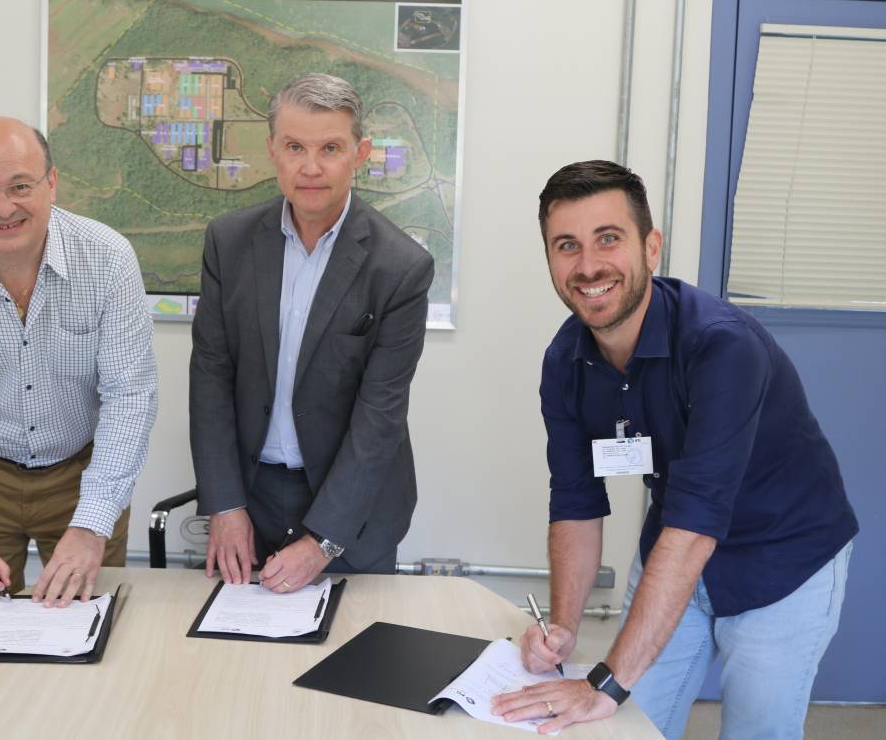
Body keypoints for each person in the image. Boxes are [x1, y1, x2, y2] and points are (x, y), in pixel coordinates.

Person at [491, 160, 858, 738]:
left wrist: (606, 683)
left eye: (608, 239)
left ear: (651, 246)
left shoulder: (722, 347)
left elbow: (695, 528)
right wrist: (562, 627)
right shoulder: (565, 362)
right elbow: (576, 504)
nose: (588, 266)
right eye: (567, 246)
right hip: (675, 550)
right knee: (621, 728)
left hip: (784, 563)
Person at [0, 117, 158, 631]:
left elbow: (131, 395)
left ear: (52, 183)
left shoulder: (107, 260)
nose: (3, 207)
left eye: (20, 186)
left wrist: (93, 522)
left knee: (90, 633)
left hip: (85, 472)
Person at [190, 73, 434, 593]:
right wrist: (225, 504)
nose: (311, 168)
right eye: (295, 146)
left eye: (330, 148)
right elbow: (210, 379)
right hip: (248, 504)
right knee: (237, 667)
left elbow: (380, 417)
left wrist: (324, 541)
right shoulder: (228, 243)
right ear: (272, 149)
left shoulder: (401, 268)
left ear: (359, 153)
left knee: (345, 665)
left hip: (354, 513)